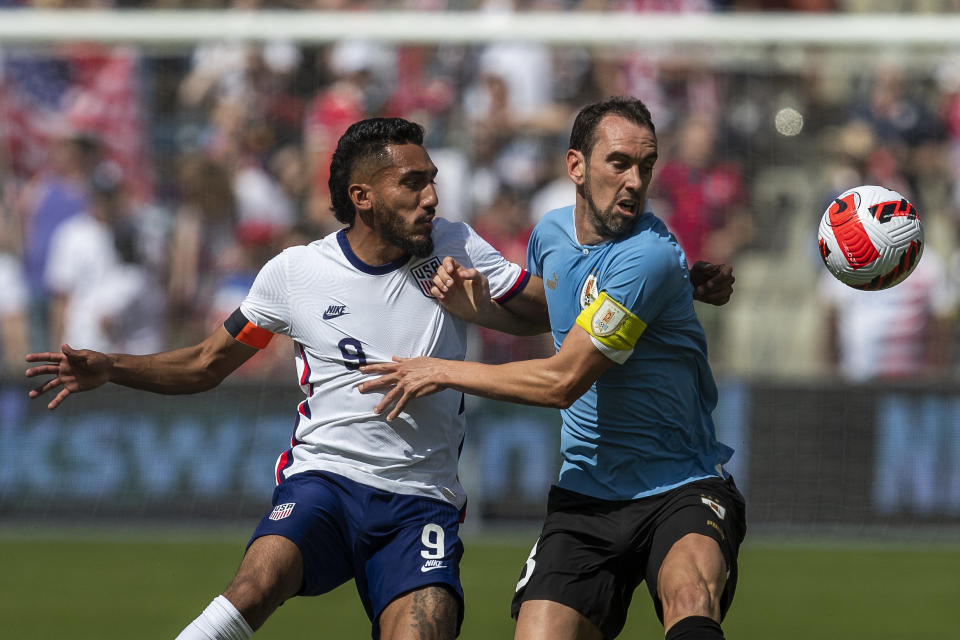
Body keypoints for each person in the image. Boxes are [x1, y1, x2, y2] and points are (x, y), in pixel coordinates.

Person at [24, 117, 549, 640]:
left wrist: (479, 304)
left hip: (420, 500)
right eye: (413, 183)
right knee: (253, 587)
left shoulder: (455, 246)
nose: (432, 197)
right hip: (326, 481)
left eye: (431, 178)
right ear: (362, 196)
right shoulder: (295, 273)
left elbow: (544, 313)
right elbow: (208, 363)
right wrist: (113, 366)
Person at [359, 97, 746, 640]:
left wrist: (442, 369)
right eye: (619, 163)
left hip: (680, 484)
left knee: (689, 597)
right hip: (586, 492)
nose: (635, 180)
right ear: (576, 167)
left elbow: (564, 379)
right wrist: (482, 310)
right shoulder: (551, 235)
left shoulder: (651, 257)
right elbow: (559, 310)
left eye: (646, 165)